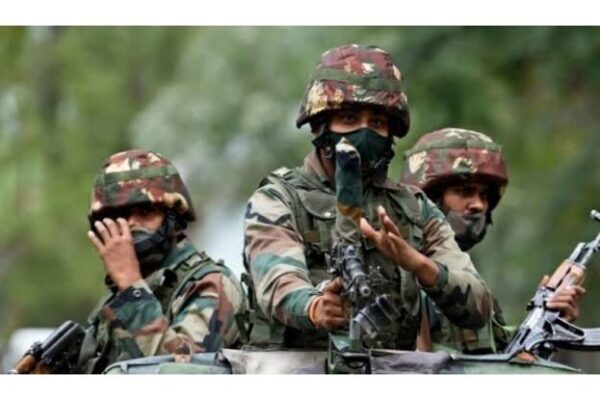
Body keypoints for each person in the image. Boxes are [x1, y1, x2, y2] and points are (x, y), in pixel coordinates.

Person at [242, 44, 493, 352]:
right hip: (295, 367)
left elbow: (478, 304)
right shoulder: (278, 199)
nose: (364, 133)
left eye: (377, 123)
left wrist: (418, 264)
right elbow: (278, 283)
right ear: (321, 126)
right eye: (349, 119)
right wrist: (315, 307)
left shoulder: (414, 208)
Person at [400, 127, 585, 353]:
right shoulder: (400, 276)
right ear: (429, 199)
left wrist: (546, 323)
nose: (478, 205)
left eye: (484, 195)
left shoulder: (469, 287)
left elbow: (497, 359)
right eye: (464, 191)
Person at [77, 149, 246, 373]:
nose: (131, 224)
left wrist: (132, 288)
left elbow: (181, 372)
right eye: (119, 216)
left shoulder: (212, 284)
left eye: (145, 211)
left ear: (173, 218)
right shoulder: (123, 294)